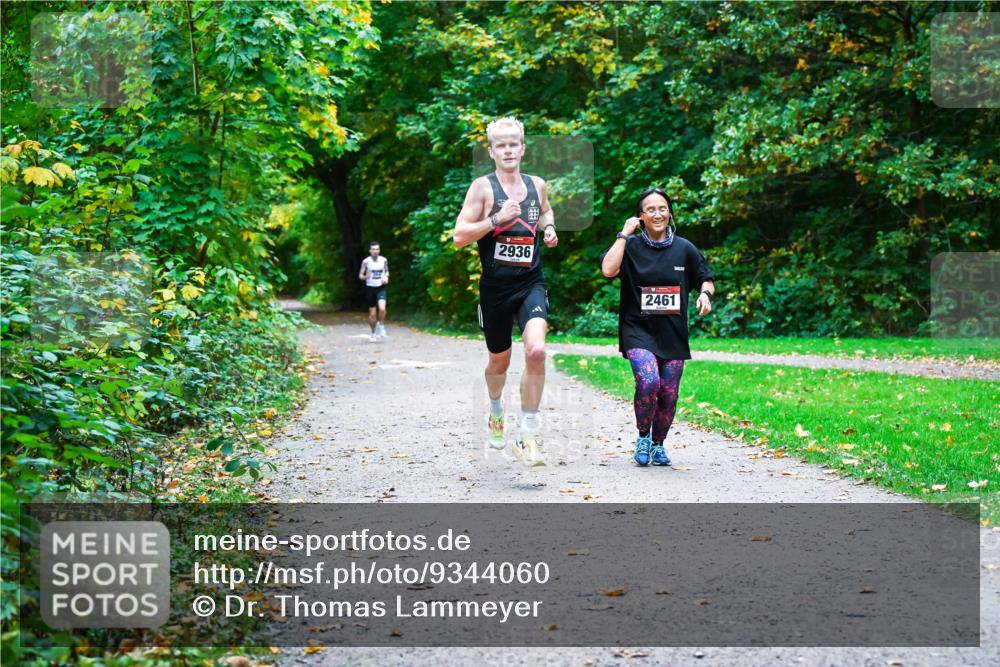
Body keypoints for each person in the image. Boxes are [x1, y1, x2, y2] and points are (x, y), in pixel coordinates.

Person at [453, 117, 558, 466]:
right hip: (495, 290)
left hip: (530, 283)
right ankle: (496, 410)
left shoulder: (537, 184)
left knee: (537, 350)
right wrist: (496, 219)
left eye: (514, 144)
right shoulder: (482, 188)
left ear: (523, 148)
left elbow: (545, 212)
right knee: (499, 361)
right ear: (491, 151)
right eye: (501, 145)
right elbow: (459, 237)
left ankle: (528, 432)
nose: (508, 150)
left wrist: (550, 228)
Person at [600, 188, 715, 466]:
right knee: (649, 381)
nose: (657, 214)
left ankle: (658, 444)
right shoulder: (630, 246)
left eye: (662, 208)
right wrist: (623, 235)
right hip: (637, 329)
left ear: (670, 213)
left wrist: (705, 294)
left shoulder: (684, 248)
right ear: (640, 216)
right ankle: (643, 436)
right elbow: (608, 270)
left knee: (669, 393)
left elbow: (706, 279)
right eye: (650, 209)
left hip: (672, 333)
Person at [359, 241, 389, 342]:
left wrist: (386, 278)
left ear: (379, 250)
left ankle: (381, 325)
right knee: (372, 314)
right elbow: (360, 275)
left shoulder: (384, 260)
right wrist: (365, 276)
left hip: (381, 287)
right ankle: (373, 334)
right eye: (373, 249)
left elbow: (387, 271)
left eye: (377, 249)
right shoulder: (366, 262)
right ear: (370, 251)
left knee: (382, 309)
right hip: (370, 288)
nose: (375, 251)